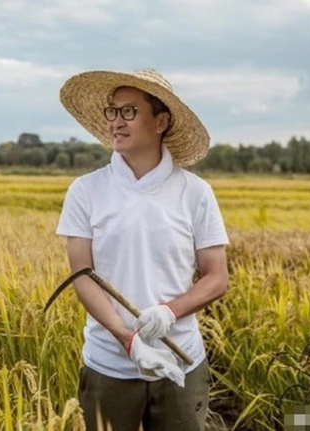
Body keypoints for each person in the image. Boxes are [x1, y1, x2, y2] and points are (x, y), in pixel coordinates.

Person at [55, 68, 230, 431]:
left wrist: (169, 312)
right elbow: (81, 275)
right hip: (109, 366)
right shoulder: (86, 191)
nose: (116, 122)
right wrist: (128, 339)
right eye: (112, 112)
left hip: (180, 364)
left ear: (161, 121)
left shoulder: (195, 193)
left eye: (129, 112)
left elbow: (216, 276)